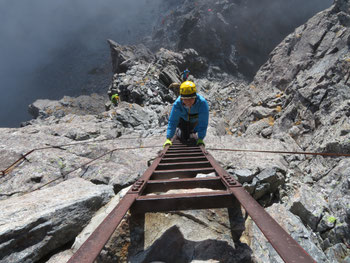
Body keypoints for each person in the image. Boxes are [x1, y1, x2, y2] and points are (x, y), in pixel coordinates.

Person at [163, 81, 209, 147]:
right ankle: (179, 131)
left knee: (192, 132)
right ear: (181, 98)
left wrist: (201, 138)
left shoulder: (202, 103)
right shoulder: (178, 104)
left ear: (195, 97)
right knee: (184, 136)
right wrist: (168, 138)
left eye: (191, 99)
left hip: (194, 121)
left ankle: (191, 131)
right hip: (182, 121)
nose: (188, 102)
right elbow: (173, 121)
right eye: (185, 99)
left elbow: (203, 122)